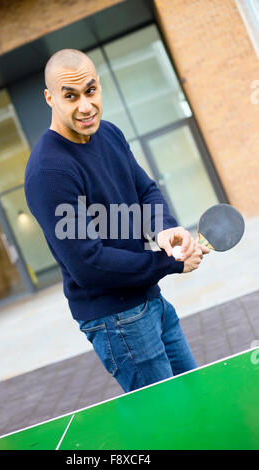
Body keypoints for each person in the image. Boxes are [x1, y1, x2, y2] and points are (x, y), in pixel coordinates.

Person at [24, 49, 209, 393]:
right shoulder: (49, 172)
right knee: (167, 422)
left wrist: (164, 229)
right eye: (70, 96)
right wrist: (168, 263)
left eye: (90, 91)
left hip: (150, 301)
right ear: (50, 98)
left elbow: (145, 191)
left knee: (194, 399)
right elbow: (88, 263)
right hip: (117, 321)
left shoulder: (109, 134)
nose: (85, 106)